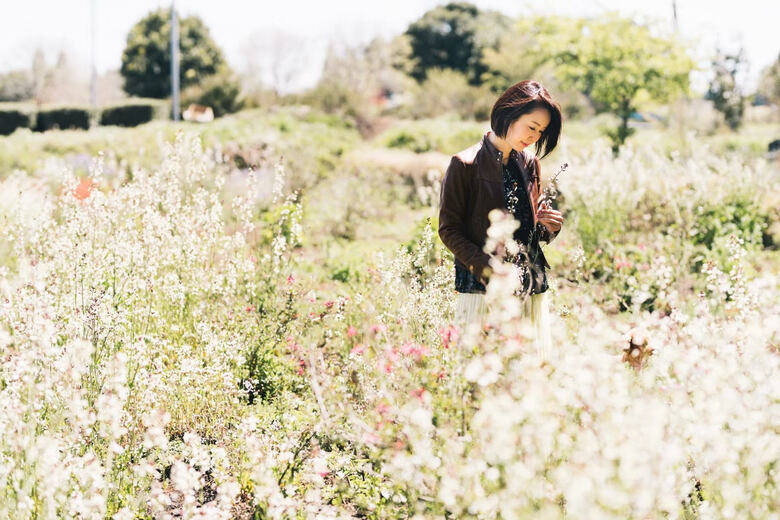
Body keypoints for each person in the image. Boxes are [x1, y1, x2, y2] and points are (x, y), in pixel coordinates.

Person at [438, 80, 563, 357]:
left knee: (529, 373)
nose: (534, 137)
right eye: (531, 127)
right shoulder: (465, 164)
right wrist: (489, 270)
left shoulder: (530, 164)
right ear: (509, 113)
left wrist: (548, 227)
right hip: (482, 288)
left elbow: (529, 229)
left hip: (529, 284)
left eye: (540, 132)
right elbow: (449, 230)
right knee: (478, 372)